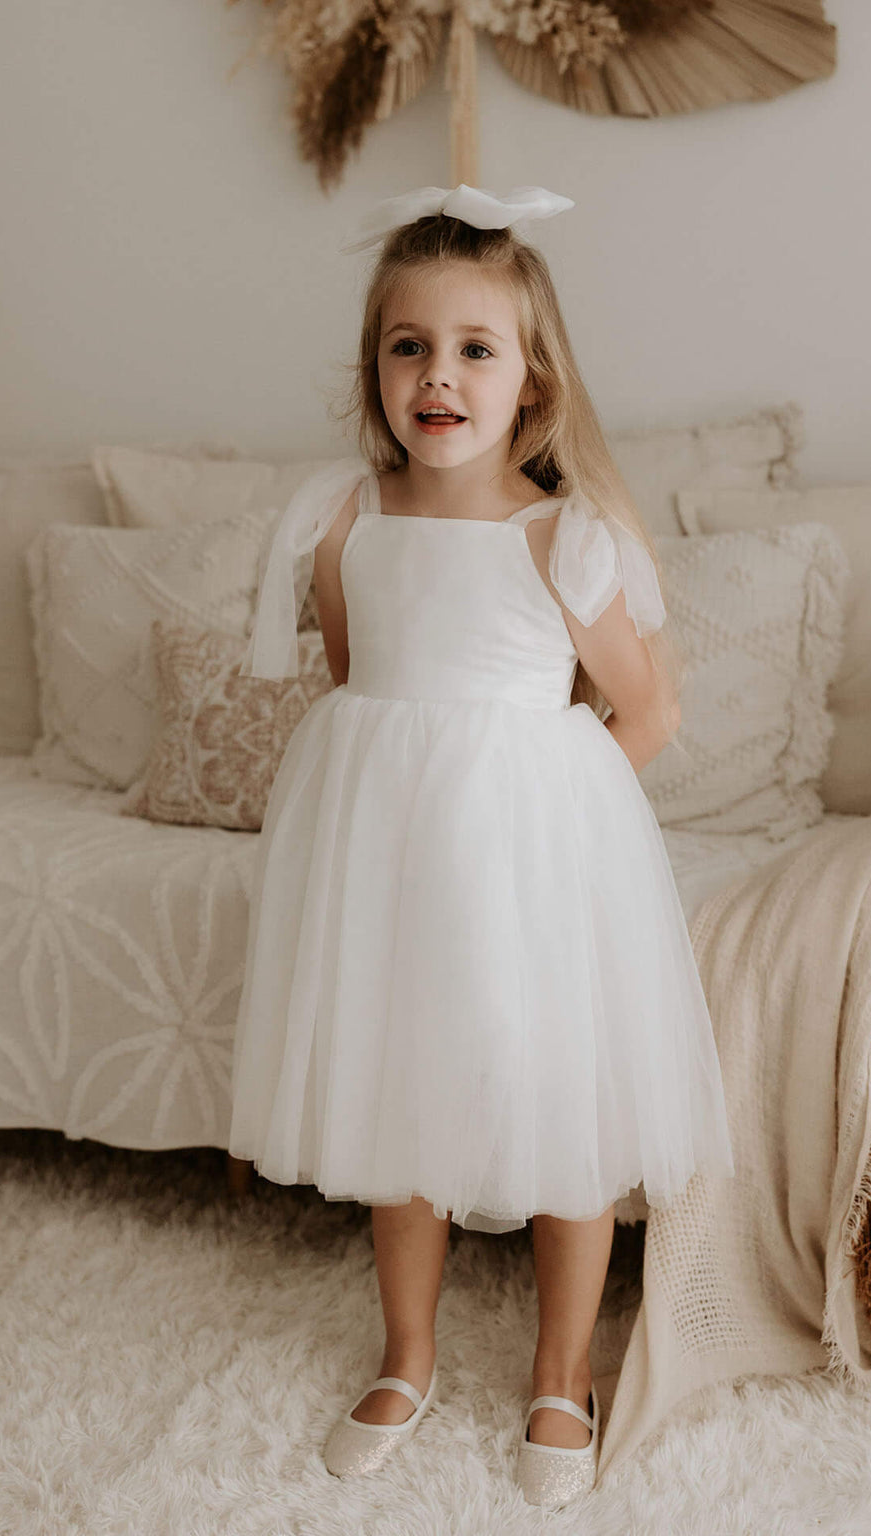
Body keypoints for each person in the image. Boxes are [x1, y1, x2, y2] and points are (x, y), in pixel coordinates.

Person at [227, 184, 734, 1509]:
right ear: (374, 368)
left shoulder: (565, 536)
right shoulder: (345, 522)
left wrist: (545, 825)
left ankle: (560, 1374)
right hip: (388, 870)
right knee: (402, 1110)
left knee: (561, 1114)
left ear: (530, 375)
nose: (437, 374)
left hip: (533, 878)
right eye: (409, 346)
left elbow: (648, 710)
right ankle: (408, 1354)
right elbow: (360, 693)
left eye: (473, 347)